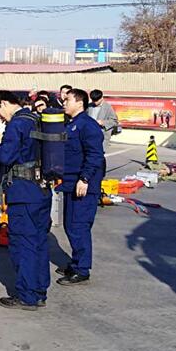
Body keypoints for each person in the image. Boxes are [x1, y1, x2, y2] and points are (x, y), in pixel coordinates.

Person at [0, 91, 52, 310]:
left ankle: (27, 296)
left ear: (3, 103)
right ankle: (39, 291)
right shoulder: (37, 119)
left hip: (23, 193)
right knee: (39, 243)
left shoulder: (16, 124)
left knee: (23, 245)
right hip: (41, 189)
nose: (1, 117)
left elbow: (6, 156)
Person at [56, 88, 105, 285]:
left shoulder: (87, 126)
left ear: (79, 102)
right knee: (70, 225)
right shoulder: (72, 124)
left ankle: (82, 269)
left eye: (67, 100)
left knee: (79, 226)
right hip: (70, 183)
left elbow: (95, 155)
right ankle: (76, 261)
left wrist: (84, 179)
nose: (64, 103)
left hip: (83, 185)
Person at [87, 89, 119, 173]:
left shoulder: (108, 107)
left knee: (99, 155)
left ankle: (100, 172)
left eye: (97, 100)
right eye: (93, 100)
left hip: (102, 135)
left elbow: (114, 121)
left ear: (101, 98)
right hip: (89, 135)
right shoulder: (89, 106)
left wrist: (103, 122)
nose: (95, 102)